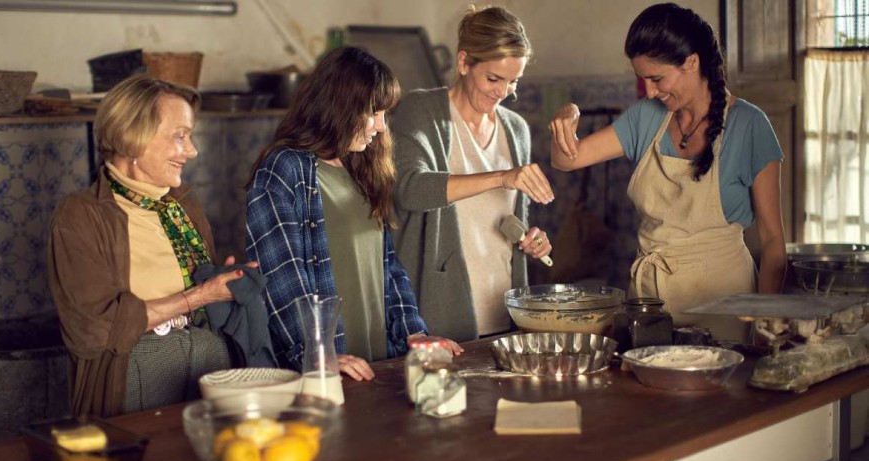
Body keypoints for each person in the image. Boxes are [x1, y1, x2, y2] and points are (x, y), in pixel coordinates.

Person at [550, 3, 786, 341]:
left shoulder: (749, 125)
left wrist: (767, 325)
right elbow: (566, 160)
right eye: (643, 79)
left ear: (691, 62)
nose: (649, 91)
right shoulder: (647, 117)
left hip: (724, 305)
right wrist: (567, 113)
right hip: (650, 304)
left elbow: (774, 241)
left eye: (657, 78)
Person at [48, 75, 262, 417]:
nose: (192, 150)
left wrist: (224, 281)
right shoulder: (81, 215)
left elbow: (199, 296)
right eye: (180, 136)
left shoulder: (183, 208)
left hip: (209, 362)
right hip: (136, 376)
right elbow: (91, 329)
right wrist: (200, 296)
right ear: (134, 137)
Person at [246, 47, 462, 382]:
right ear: (340, 107)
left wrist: (413, 334)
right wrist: (318, 355)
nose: (380, 126)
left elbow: (388, 264)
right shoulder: (285, 169)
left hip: (376, 362)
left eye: (384, 114)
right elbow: (281, 279)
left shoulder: (362, 166)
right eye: (373, 113)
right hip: (324, 370)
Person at [390, 6, 554, 342]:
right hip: (438, 315)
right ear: (464, 63)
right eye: (494, 78)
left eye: (513, 82)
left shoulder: (517, 130)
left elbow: (506, 221)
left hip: (506, 312)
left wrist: (531, 240)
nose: (503, 92)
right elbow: (408, 190)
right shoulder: (420, 111)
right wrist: (501, 177)